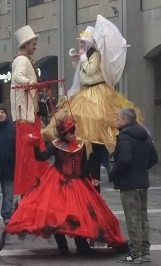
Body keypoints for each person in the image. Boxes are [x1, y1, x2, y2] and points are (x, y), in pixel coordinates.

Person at [43, 17, 144, 187]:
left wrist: (83, 58)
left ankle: (99, 163)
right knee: (81, 123)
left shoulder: (96, 55)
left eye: (83, 43)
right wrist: (80, 58)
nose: (81, 46)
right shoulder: (88, 55)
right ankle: (87, 165)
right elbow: (82, 75)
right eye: (80, 43)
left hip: (97, 92)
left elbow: (90, 69)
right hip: (85, 92)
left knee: (97, 122)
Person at [6, 116, 127, 256]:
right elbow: (41, 157)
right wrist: (35, 146)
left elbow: (84, 164)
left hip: (78, 183)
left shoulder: (80, 144)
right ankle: (62, 246)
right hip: (57, 183)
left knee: (79, 214)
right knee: (56, 214)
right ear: (63, 134)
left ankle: (82, 245)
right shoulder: (55, 144)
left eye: (74, 132)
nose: (73, 135)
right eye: (70, 133)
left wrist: (90, 179)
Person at [110, 108, 158, 264]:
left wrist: (114, 173)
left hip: (129, 183)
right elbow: (153, 157)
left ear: (125, 119)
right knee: (143, 218)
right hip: (142, 182)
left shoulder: (124, 137)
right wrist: (142, 169)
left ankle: (135, 253)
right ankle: (145, 252)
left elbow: (124, 160)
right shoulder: (145, 135)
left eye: (118, 118)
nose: (117, 121)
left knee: (133, 219)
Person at [10, 25, 49, 196]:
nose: (35, 46)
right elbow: (18, 77)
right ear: (25, 44)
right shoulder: (22, 60)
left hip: (28, 112)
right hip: (25, 113)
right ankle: (31, 183)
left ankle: (33, 182)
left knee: (32, 149)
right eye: (33, 43)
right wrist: (32, 84)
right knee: (29, 150)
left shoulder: (25, 60)